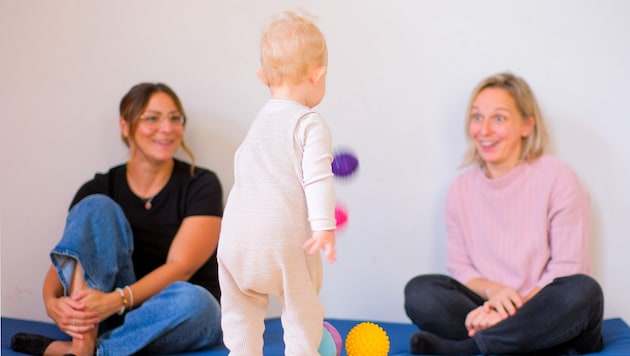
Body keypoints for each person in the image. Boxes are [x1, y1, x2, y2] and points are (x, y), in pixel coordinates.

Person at [11, 82, 224, 356]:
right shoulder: (99, 187)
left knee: (199, 302)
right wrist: (51, 303)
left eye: (175, 118)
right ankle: (85, 342)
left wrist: (118, 300)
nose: (167, 128)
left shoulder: (201, 184)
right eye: (152, 118)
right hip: (102, 315)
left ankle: (85, 350)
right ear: (125, 126)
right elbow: (69, 258)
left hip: (172, 313)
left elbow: (180, 268)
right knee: (97, 206)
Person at [404, 72, 604, 355]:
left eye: (499, 118)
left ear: (526, 125)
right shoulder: (461, 190)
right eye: (477, 117)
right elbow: (462, 269)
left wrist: (512, 311)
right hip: (489, 306)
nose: (484, 130)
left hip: (547, 309)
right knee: (420, 292)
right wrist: (495, 294)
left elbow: (567, 267)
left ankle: (473, 348)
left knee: (584, 291)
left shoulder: (558, 177)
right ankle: (520, 344)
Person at [217, 11, 337, 356]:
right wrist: (323, 228)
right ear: (318, 74)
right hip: (283, 241)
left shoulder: (257, 124)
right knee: (302, 309)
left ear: (263, 76)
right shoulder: (309, 123)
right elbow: (317, 177)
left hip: (235, 241)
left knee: (240, 311)